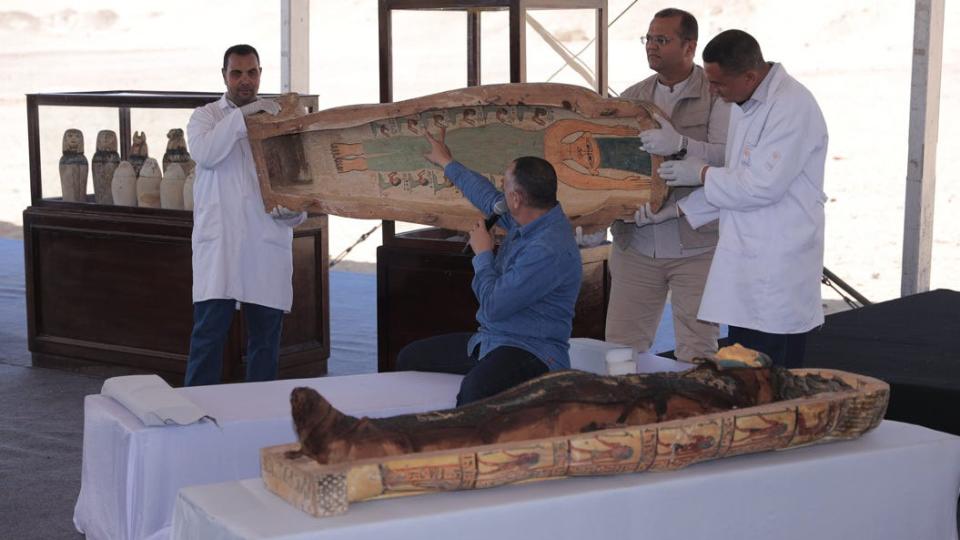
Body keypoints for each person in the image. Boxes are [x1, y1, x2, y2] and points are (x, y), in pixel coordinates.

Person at [658, 29, 829, 368]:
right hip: (744, 263)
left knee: (775, 377)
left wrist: (702, 173)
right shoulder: (743, 101)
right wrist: (676, 209)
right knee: (743, 369)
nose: (712, 91)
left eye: (719, 84)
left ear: (749, 76)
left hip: (778, 265)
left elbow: (761, 186)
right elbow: (737, 178)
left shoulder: (793, 105)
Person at [397, 127, 582, 406]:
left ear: (517, 198)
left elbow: (493, 306)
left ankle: (472, 448)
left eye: (505, 187)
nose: (501, 194)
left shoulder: (548, 249)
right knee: (409, 358)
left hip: (531, 349)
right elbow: (487, 198)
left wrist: (483, 254)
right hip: (494, 338)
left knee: (474, 391)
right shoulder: (530, 216)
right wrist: (448, 162)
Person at [606, 8, 730, 362]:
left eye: (662, 40)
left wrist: (682, 145)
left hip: (696, 245)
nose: (652, 47)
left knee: (698, 351)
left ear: (689, 46)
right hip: (637, 245)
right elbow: (607, 165)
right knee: (620, 348)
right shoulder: (631, 99)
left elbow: (727, 158)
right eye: (649, 39)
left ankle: (695, 416)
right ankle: (625, 415)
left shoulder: (716, 93)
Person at [184, 44, 307, 386]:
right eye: (237, 73)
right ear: (224, 76)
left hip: (264, 246)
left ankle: (258, 417)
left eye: (252, 72)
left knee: (265, 342)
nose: (245, 80)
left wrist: (291, 213)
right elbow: (207, 154)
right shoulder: (206, 117)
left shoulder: (279, 122)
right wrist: (246, 116)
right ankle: (194, 417)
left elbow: (298, 185)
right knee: (207, 338)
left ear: (260, 74)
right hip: (220, 248)